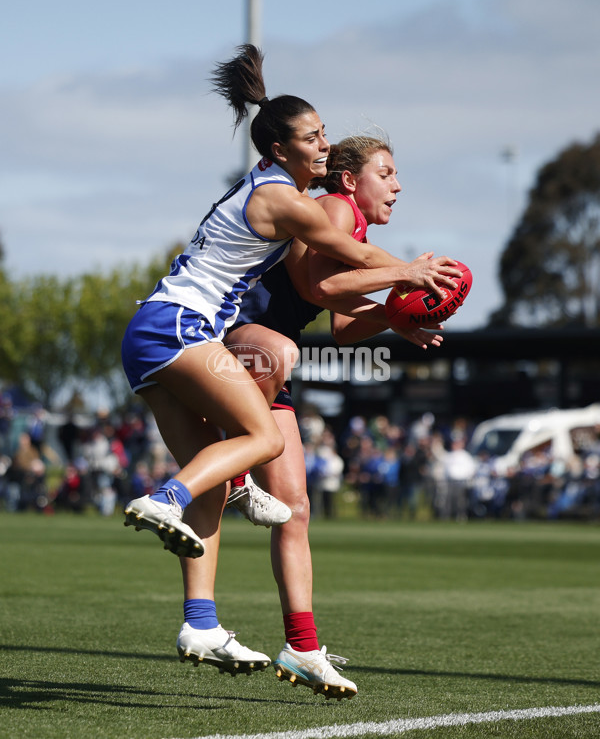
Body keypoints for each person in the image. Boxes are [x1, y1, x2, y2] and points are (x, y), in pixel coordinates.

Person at [121, 44, 460, 676]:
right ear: (279, 150)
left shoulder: (286, 192)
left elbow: (343, 302)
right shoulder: (294, 200)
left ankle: (202, 624)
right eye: (312, 137)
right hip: (180, 328)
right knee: (262, 423)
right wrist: (411, 272)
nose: (324, 147)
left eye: (326, 134)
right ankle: (169, 497)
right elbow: (334, 273)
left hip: (153, 334)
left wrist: (394, 308)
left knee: (227, 475)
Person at [176, 132, 461, 698]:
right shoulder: (335, 207)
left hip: (267, 358)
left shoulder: (350, 224)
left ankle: (302, 648)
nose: (398, 185)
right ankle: (231, 477)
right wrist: (403, 276)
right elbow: (319, 283)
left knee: (295, 509)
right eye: (388, 172)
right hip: (232, 343)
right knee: (281, 355)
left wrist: (393, 320)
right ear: (352, 180)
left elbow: (340, 321)